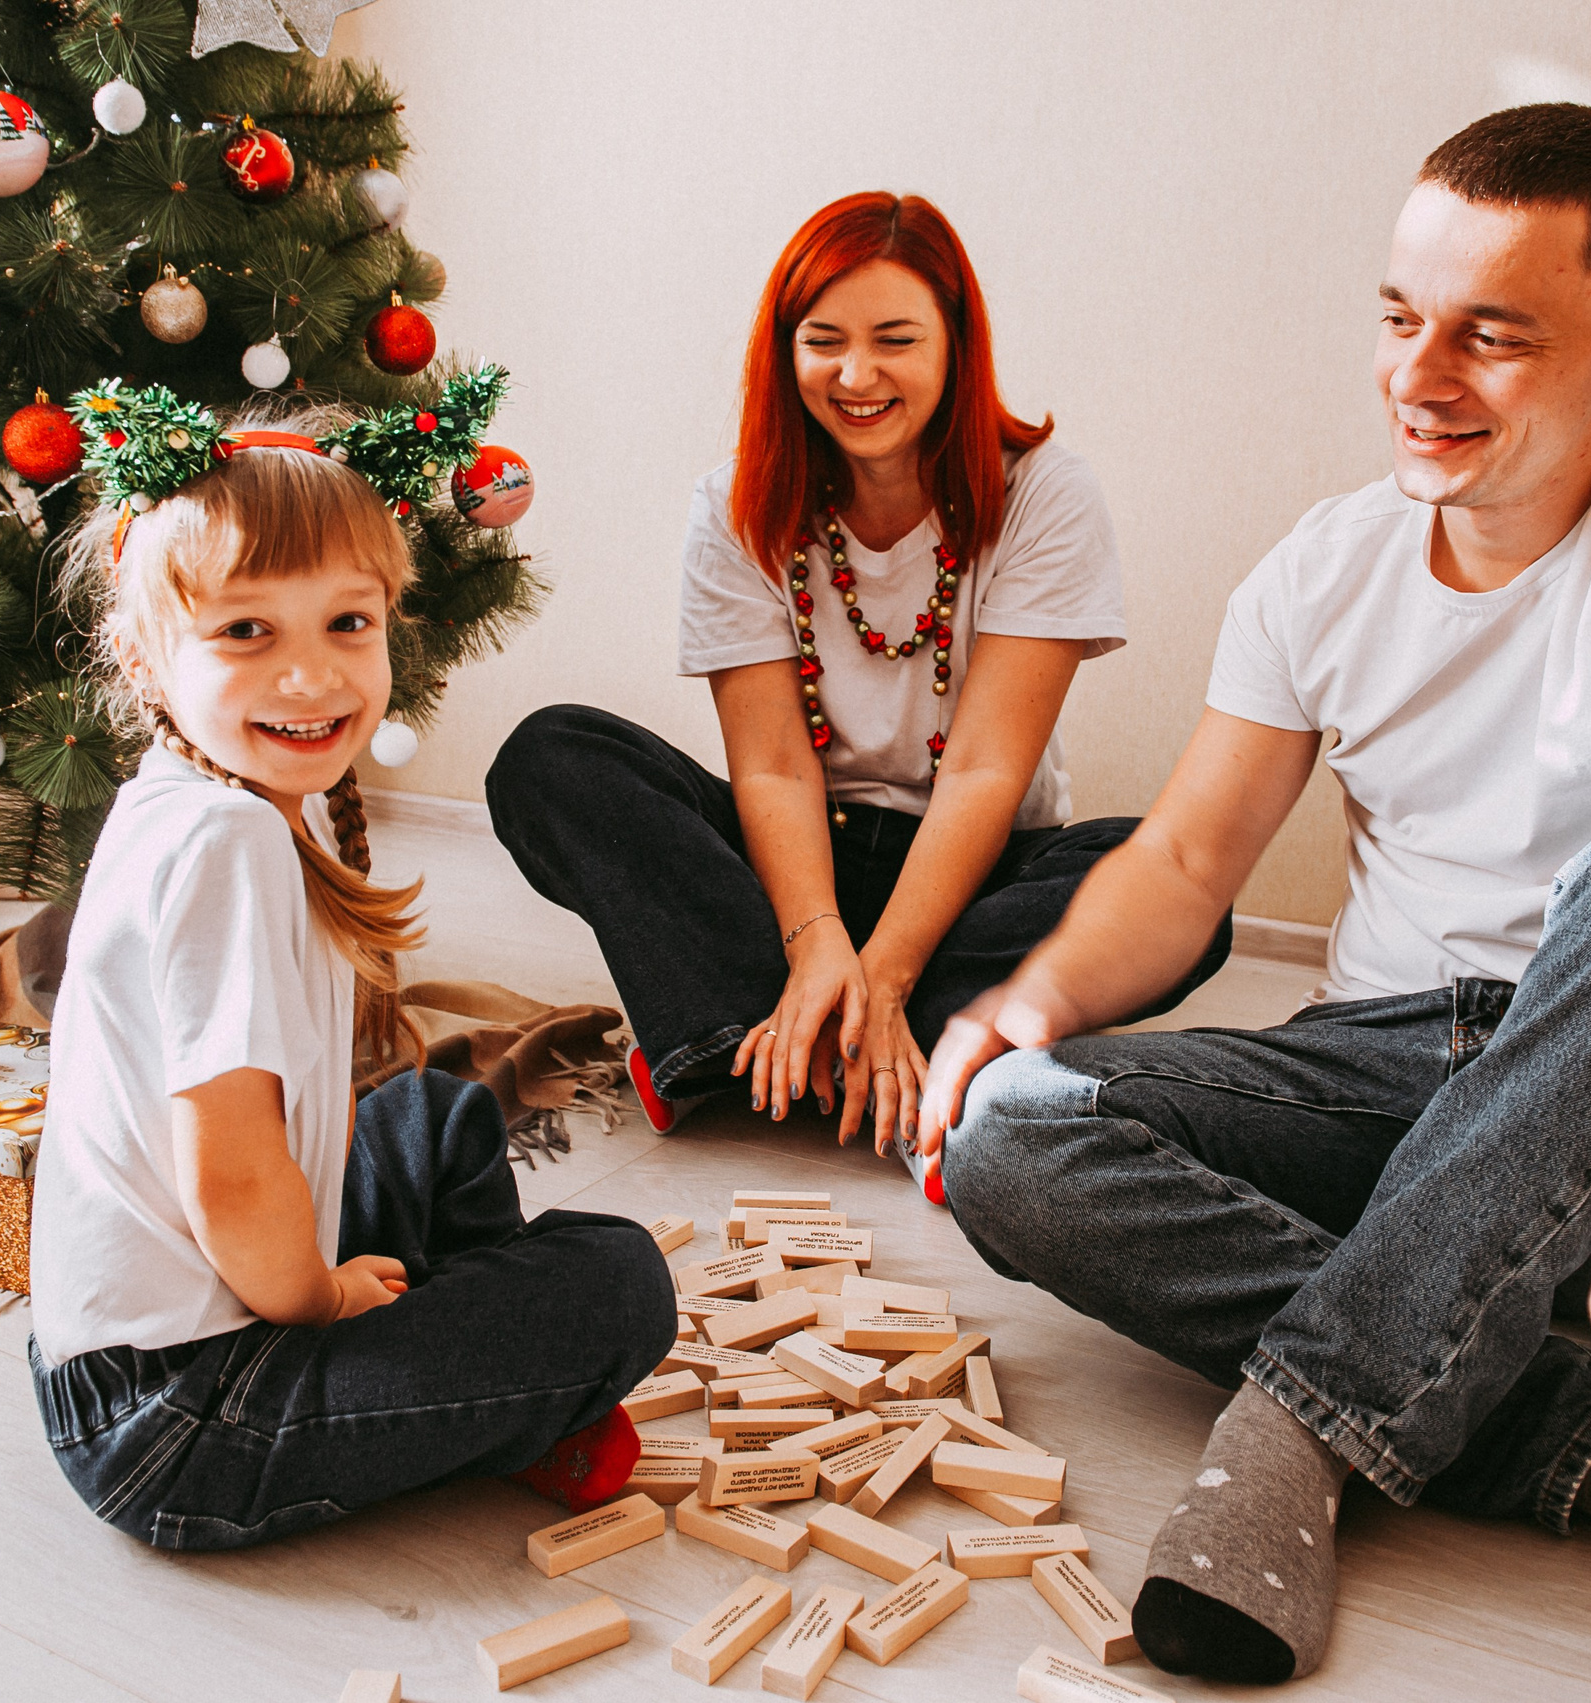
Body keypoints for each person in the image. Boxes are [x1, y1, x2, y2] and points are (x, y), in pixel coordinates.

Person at [918, 104, 1591, 1681]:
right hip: (1380, 1063)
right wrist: (1020, 1010)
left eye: (1491, 338)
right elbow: (1185, 858)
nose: (1420, 380)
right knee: (1014, 1125)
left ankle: (1296, 1433)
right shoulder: (1325, 566)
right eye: (1399, 319)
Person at [27, 400, 676, 1549]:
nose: (310, 676)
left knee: (434, 1115)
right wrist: (323, 1299)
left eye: (345, 622)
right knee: (620, 1278)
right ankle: (486, 1384)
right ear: (142, 655)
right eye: (245, 633)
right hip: (178, 1418)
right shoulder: (225, 844)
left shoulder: (223, 795)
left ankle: (466, 1368)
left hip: (149, 1348)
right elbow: (229, 1177)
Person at [488, 192, 1228, 1157]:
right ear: (784, 351)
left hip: (971, 866)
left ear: (955, 345)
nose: (857, 373)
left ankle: (779, 1043)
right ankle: (824, 1036)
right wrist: (815, 938)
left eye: (895, 338)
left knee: (1179, 890)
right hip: (790, 862)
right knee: (553, 757)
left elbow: (983, 772)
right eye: (823, 339)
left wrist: (883, 973)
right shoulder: (733, 504)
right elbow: (772, 770)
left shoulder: (1046, 492)